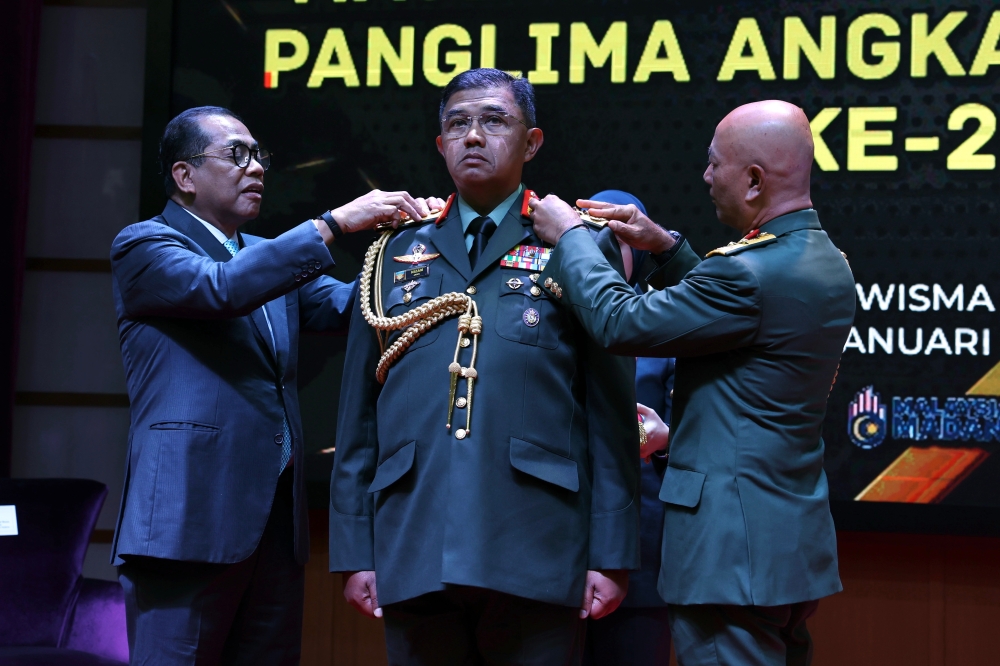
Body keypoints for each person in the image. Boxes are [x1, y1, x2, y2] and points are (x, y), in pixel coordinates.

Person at [109, 105, 441, 664]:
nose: (257, 167)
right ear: (184, 176)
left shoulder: (263, 256)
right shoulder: (145, 245)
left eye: (259, 154)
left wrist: (420, 246)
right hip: (186, 524)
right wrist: (335, 223)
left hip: (271, 532)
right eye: (236, 154)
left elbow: (353, 306)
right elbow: (220, 289)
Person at [330, 69, 640, 665]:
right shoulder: (395, 251)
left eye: (494, 120)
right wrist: (353, 549)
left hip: (539, 543)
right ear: (441, 145)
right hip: (413, 539)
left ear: (532, 142)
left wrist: (611, 552)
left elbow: (610, 415)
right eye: (457, 123)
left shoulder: (576, 245)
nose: (473, 135)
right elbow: (358, 417)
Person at [530, 100, 855, 666]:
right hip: (784, 545)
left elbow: (619, 321)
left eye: (714, 165)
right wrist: (665, 247)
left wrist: (572, 240)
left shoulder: (748, 272)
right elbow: (746, 321)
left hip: (730, 556)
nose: (705, 177)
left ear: (753, 180)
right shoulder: (823, 260)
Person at [581, 191, 674, 666]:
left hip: (641, 550)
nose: (598, 249)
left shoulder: (664, 323)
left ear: (635, 252)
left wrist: (663, 441)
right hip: (552, 548)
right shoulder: (542, 320)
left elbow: (695, 429)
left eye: (612, 239)